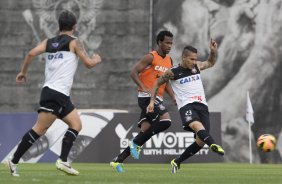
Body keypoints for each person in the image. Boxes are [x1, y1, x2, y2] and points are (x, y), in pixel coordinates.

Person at [7, 10, 102, 177]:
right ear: (75, 26)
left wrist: (23, 72)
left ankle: (63, 161)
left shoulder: (48, 42)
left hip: (59, 94)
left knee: (76, 125)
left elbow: (31, 54)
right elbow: (88, 63)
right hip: (55, 93)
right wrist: (96, 59)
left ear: (59, 26)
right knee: (40, 129)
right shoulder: (75, 42)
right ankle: (14, 160)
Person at [147, 39, 225, 174]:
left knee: (200, 142)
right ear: (184, 58)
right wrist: (152, 101)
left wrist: (213, 52)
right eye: (192, 59)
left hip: (202, 106)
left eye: (196, 59)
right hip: (187, 106)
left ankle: (177, 161)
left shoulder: (196, 67)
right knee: (197, 126)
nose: (194, 62)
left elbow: (211, 62)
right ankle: (213, 144)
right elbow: (156, 84)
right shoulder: (172, 72)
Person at [110, 30, 176, 173]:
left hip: (158, 98)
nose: (170, 45)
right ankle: (135, 145)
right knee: (166, 121)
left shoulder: (169, 61)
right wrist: (143, 87)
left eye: (171, 43)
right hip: (146, 98)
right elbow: (133, 72)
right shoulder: (150, 57)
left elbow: (166, 82)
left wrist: (173, 96)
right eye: (167, 42)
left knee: (144, 131)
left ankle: (118, 160)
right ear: (159, 42)